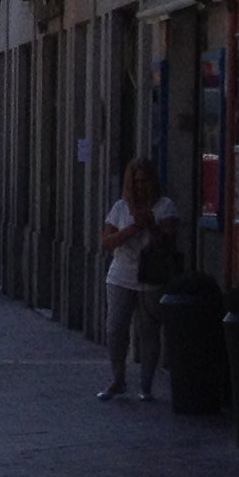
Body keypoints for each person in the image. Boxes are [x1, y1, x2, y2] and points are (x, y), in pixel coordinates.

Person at [97, 155, 183, 402]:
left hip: (151, 277)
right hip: (120, 275)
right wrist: (132, 228)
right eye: (135, 182)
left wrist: (152, 226)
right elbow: (107, 240)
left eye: (144, 181)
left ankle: (146, 385)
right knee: (115, 328)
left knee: (148, 331)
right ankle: (117, 379)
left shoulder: (165, 207)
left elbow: (170, 240)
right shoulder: (120, 208)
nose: (140, 186)